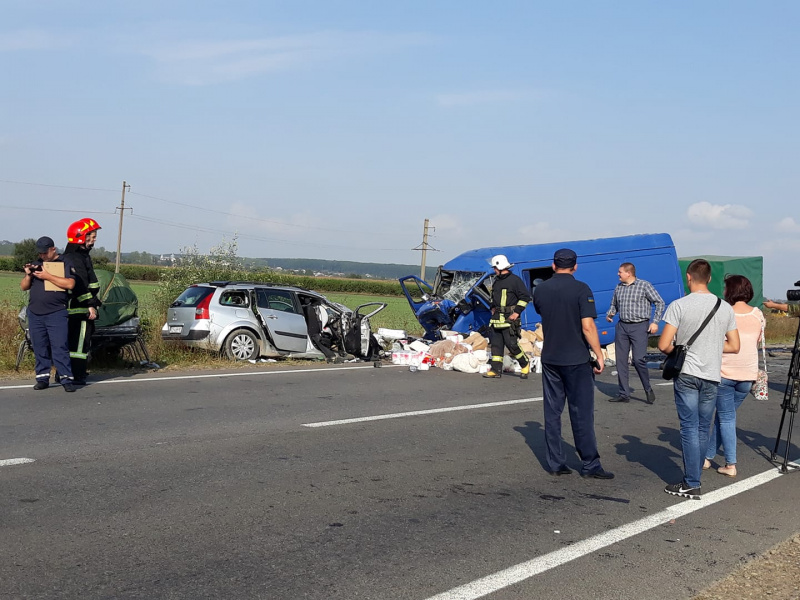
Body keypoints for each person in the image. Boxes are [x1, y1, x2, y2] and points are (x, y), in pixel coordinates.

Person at [658, 259, 739, 499]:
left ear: (688, 277)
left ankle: (691, 482)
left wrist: (682, 349)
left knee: (689, 428)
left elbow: (663, 344)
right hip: (712, 375)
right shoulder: (724, 307)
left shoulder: (679, 305)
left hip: (687, 374)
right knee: (704, 427)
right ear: (710, 278)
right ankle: (694, 478)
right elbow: (734, 345)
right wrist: (711, 346)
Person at [532, 248, 614, 479]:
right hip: (576, 358)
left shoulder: (541, 289)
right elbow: (587, 326)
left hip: (551, 358)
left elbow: (542, 312)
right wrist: (599, 354)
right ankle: (590, 464)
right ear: (575, 266)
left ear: (553, 265)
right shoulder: (581, 289)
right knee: (581, 413)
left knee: (552, 411)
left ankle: (556, 463)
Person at [703, 275, 764, 478]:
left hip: (725, 372)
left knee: (726, 418)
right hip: (748, 375)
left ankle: (730, 463)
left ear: (730, 290)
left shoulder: (724, 313)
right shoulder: (758, 315)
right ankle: (708, 456)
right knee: (724, 417)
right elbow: (755, 342)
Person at [20, 236, 78, 392]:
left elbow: (70, 283)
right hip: (35, 313)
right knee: (39, 347)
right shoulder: (37, 264)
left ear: (53, 249)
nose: (42, 256)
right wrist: (28, 274)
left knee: (60, 346)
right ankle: (42, 378)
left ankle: (66, 378)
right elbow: (24, 287)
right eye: (40, 254)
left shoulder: (65, 263)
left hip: (56, 312)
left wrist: (47, 276)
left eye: (45, 253)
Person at [606, 262, 665, 404]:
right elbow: (614, 304)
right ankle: (623, 394)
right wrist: (611, 314)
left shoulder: (644, 285)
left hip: (639, 326)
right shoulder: (618, 287)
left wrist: (655, 322)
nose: (618, 274)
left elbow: (659, 302)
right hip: (622, 326)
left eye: (620, 272)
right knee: (620, 361)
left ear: (629, 273)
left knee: (638, 359)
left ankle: (647, 388)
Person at [63, 218, 102, 385]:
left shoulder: (76, 256)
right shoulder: (77, 258)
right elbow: (80, 286)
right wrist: (91, 305)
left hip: (73, 308)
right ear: (81, 237)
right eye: (91, 237)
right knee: (79, 345)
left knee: (70, 343)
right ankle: (77, 374)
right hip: (79, 309)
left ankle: (66, 373)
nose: (94, 240)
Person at [483, 254, 531, 379]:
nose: (494, 270)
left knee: (512, 345)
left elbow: (525, 297)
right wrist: (492, 307)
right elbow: (495, 298)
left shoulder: (515, 280)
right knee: (496, 346)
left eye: (494, 268)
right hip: (496, 319)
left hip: (510, 319)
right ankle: (495, 370)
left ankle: (525, 364)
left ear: (499, 267)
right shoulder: (496, 281)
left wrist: (516, 312)